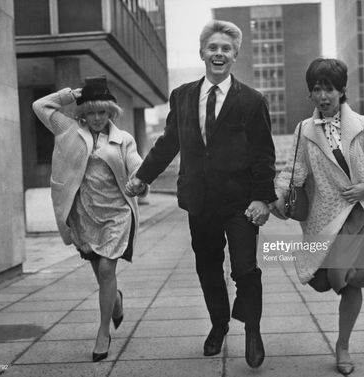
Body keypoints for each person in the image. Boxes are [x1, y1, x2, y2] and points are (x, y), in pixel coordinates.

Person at [127, 20, 277, 368]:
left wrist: (261, 198)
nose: (219, 54)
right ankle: (219, 325)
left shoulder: (252, 101)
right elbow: (168, 144)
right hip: (200, 202)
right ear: (202, 53)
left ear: (235, 56)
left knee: (245, 269)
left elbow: (263, 155)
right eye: (213, 47)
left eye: (226, 48)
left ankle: (252, 329)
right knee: (208, 268)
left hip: (240, 203)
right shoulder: (182, 96)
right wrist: (142, 177)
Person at [273, 58, 364, 375]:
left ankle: (342, 345)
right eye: (317, 89)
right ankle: (343, 342)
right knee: (328, 279)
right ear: (310, 94)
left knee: (348, 280)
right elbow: (294, 172)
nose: (323, 96)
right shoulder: (304, 130)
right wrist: (275, 199)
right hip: (327, 216)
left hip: (362, 214)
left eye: (329, 89)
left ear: (342, 90)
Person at [32, 76, 147, 362]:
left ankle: (103, 331)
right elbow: (40, 106)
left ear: (111, 112)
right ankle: (115, 300)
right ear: (83, 112)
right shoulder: (66, 129)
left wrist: (140, 182)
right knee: (100, 271)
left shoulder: (123, 139)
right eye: (92, 111)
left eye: (103, 111)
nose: (97, 118)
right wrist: (71, 95)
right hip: (84, 214)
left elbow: (138, 168)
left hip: (116, 214)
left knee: (107, 270)